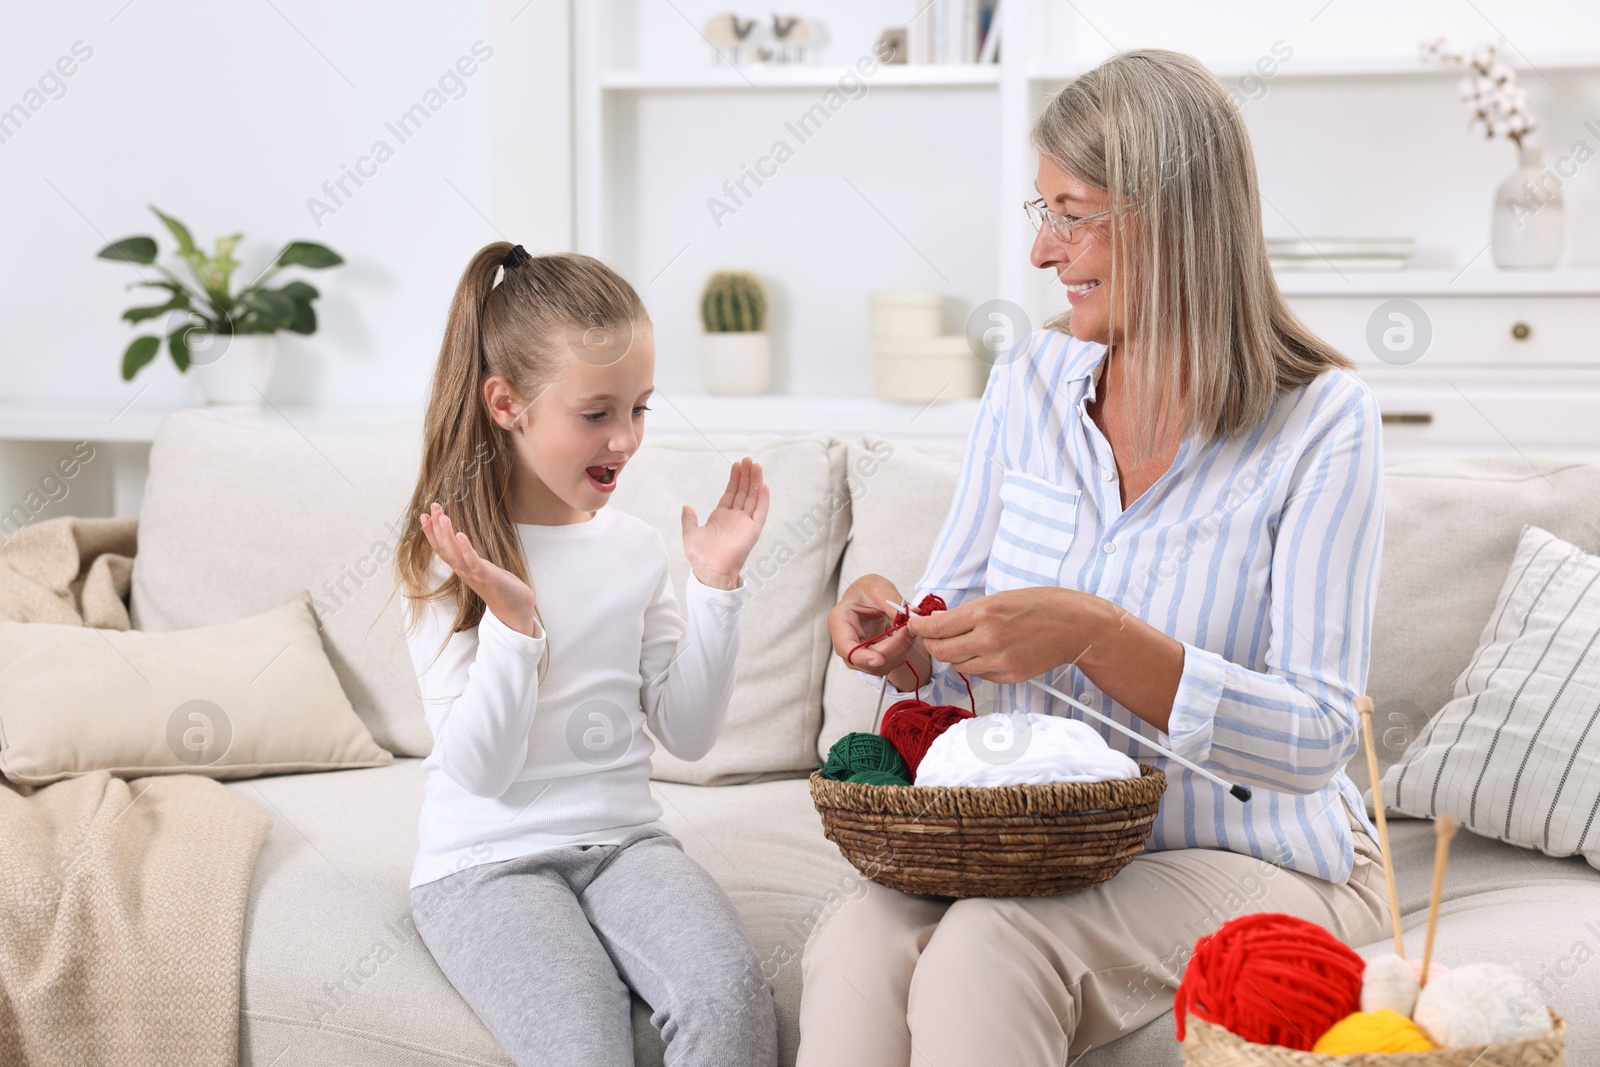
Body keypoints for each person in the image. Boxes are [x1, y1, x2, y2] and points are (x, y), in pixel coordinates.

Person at [798, 49, 1391, 1065]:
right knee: (856, 934)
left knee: (989, 944)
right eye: (1043, 211)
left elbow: (1316, 737)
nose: (1039, 251)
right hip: (1039, 845)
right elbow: (960, 610)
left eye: (1070, 213)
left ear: (1173, 216)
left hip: (1249, 851)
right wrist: (909, 636)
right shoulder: (1032, 377)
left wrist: (1101, 635)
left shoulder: (1322, 421)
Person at [391, 242, 778, 1066]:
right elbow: (482, 773)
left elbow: (689, 730)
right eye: (596, 413)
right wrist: (514, 628)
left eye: (639, 407)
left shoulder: (635, 549)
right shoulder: (446, 558)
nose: (626, 438)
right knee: (582, 1043)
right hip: (485, 864)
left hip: (624, 844)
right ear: (507, 403)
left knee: (731, 1001)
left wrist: (716, 585)